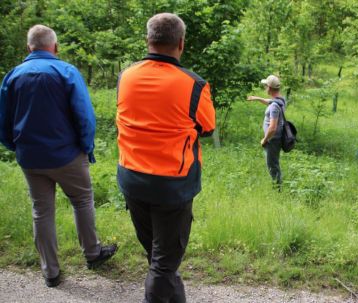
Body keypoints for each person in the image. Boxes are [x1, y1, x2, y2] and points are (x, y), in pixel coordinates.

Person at [0, 25, 117, 287]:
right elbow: (84, 115)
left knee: (41, 211)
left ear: (28, 47)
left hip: (30, 157)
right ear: (55, 47)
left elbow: (3, 120)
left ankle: (50, 272)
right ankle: (92, 253)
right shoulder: (66, 71)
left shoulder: (12, 76)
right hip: (66, 155)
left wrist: (15, 146)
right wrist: (86, 146)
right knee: (82, 200)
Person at [116, 13, 215, 303]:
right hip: (172, 185)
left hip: (132, 179)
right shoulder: (193, 84)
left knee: (158, 259)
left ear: (148, 40)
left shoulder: (127, 75)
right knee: (164, 263)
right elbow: (207, 128)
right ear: (181, 44)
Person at [247, 75, 287, 187]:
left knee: (272, 164)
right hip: (277, 138)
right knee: (274, 162)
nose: (265, 88)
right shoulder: (281, 100)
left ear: (269, 88)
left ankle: (277, 188)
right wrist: (257, 98)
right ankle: (277, 185)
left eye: (265, 86)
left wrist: (265, 140)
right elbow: (270, 101)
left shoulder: (274, 106)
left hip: (272, 139)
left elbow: (273, 127)